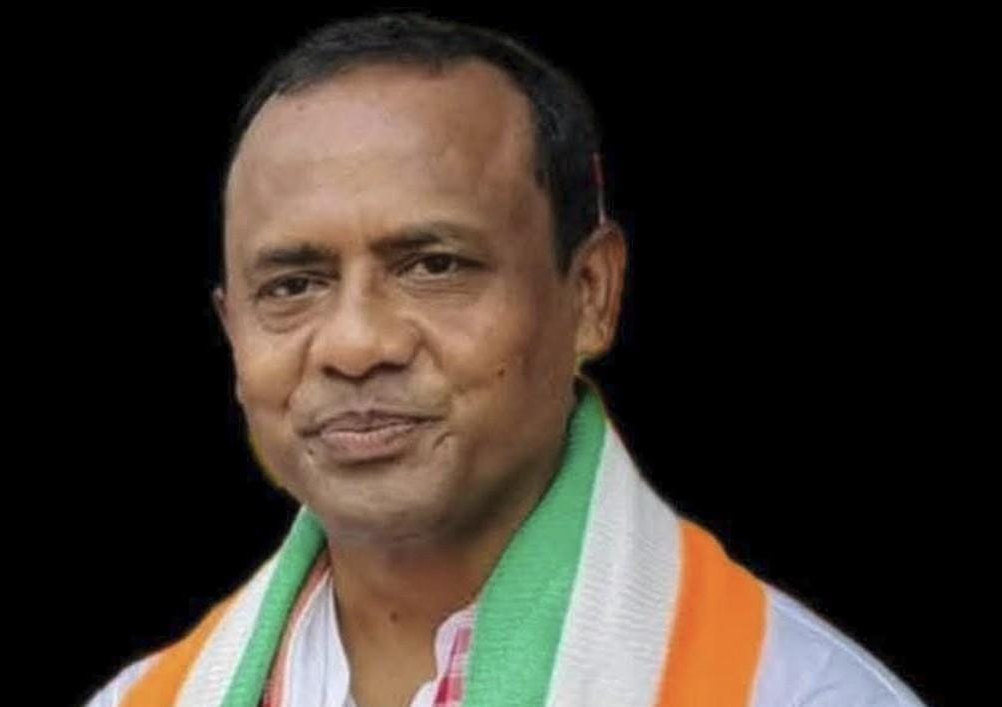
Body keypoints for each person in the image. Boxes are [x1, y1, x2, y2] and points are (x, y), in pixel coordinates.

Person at [87, 13, 924, 707]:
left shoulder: (792, 690)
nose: (354, 344)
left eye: (433, 265)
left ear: (589, 294)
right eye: (293, 284)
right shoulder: (144, 698)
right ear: (232, 330)